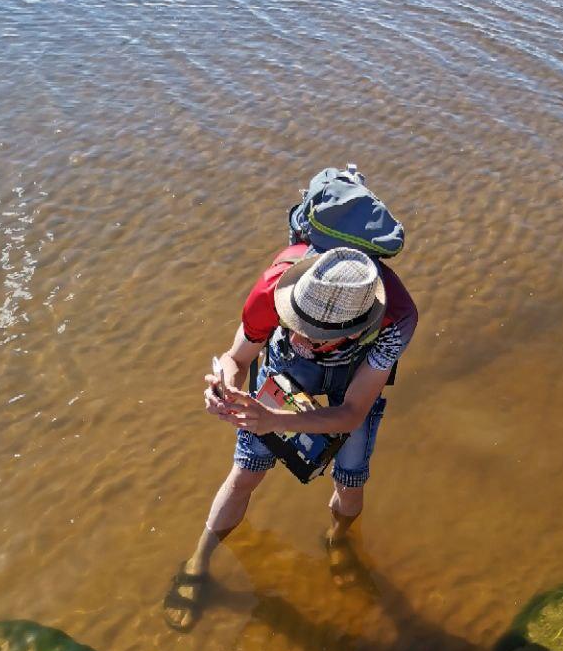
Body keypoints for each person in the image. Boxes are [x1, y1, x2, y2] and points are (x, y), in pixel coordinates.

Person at [163, 241, 418, 630]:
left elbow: (351, 414)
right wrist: (225, 388)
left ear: (354, 330)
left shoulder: (395, 323)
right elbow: (237, 358)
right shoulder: (273, 291)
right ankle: (199, 558)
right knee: (246, 471)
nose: (300, 338)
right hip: (288, 369)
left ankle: (337, 539)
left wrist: (274, 420)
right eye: (295, 323)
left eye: (313, 336)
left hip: (352, 379)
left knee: (350, 479)